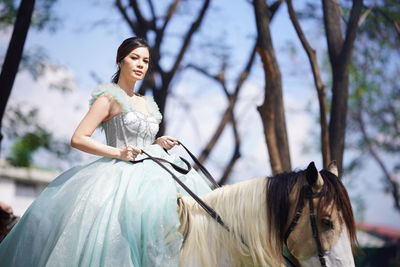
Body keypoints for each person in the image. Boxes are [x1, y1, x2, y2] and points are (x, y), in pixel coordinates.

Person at [0, 37, 212, 267]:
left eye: (145, 60)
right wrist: (119, 153)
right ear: (120, 61)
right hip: (119, 176)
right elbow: (78, 138)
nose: (141, 64)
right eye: (134, 58)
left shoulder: (147, 103)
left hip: (153, 174)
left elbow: (143, 142)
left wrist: (158, 143)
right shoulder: (108, 98)